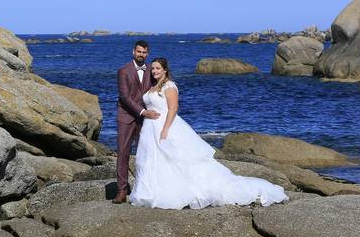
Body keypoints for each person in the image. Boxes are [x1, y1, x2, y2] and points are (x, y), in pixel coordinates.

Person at [129, 58, 288, 209]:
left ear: (165, 70)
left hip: (165, 126)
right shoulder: (152, 87)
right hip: (150, 129)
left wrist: (165, 130)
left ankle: (176, 192)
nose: (154, 71)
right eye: (153, 68)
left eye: (158, 68)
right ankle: (151, 192)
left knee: (175, 160)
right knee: (151, 160)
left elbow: (173, 109)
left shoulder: (169, 86)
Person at [113, 40, 160, 204]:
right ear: (133, 52)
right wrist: (142, 111)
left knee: (146, 153)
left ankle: (145, 188)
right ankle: (121, 191)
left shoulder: (151, 71)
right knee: (123, 153)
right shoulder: (123, 71)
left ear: (148, 54)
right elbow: (125, 98)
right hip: (126, 116)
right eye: (139, 52)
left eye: (145, 52)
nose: (142, 55)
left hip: (145, 119)